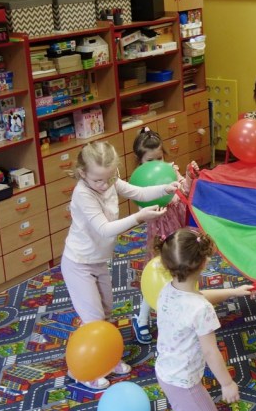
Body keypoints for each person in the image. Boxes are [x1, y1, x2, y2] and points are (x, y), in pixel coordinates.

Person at [61, 140, 177, 389]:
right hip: (78, 263)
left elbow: (139, 193)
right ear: (82, 173)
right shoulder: (83, 194)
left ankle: (107, 358)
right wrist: (139, 217)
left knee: (106, 313)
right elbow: (104, 229)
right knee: (93, 319)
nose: (104, 185)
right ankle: (82, 370)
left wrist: (166, 187)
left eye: (109, 178)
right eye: (98, 181)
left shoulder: (110, 180)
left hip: (99, 261)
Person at [155, 228, 253, 411]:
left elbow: (199, 297)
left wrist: (234, 292)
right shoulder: (201, 310)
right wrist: (227, 383)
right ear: (203, 263)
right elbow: (211, 352)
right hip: (184, 380)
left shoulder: (168, 290)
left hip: (165, 372)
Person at [132, 127, 200, 345]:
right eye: (150, 160)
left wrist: (189, 176)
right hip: (160, 233)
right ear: (140, 162)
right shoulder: (141, 180)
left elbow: (185, 191)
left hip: (177, 229)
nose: (156, 164)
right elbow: (143, 205)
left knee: (181, 271)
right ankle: (142, 318)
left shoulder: (170, 171)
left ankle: (183, 315)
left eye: (159, 158)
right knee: (156, 273)